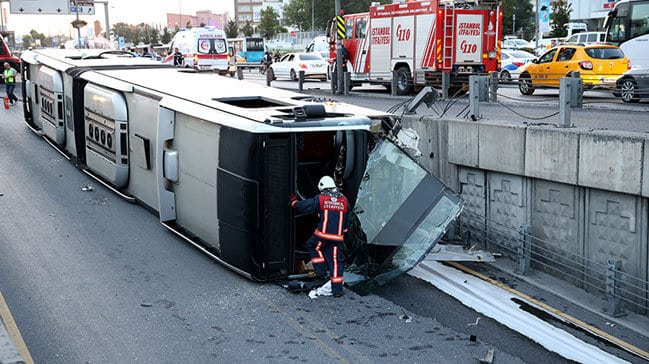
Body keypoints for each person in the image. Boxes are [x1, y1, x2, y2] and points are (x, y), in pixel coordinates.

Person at [290, 176, 350, 298]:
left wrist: (294, 202)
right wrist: (342, 231)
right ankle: (337, 290)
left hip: (322, 235)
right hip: (337, 237)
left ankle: (320, 271)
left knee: (313, 246)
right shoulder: (344, 200)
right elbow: (347, 220)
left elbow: (305, 206)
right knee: (336, 261)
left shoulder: (321, 199)